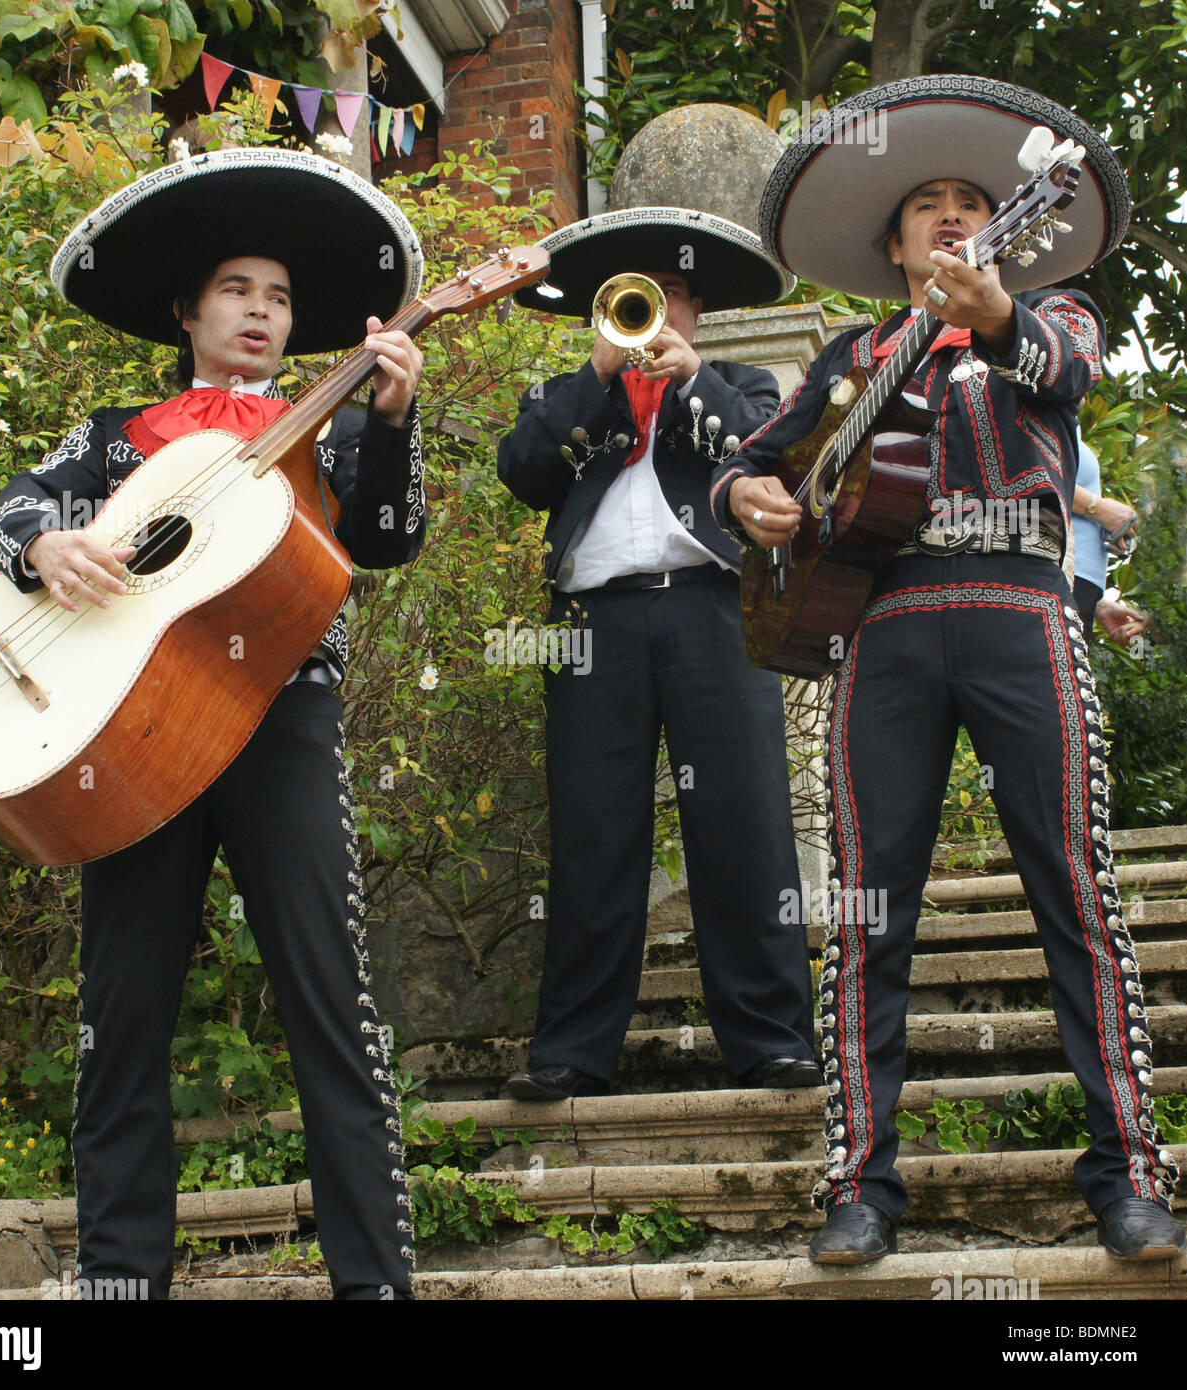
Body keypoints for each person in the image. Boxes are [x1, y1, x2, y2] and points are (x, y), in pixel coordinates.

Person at [712, 75, 1182, 1264]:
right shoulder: (846, 354)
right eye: (926, 203)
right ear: (892, 242)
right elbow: (754, 469)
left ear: (1005, 222)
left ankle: (1129, 1175)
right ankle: (858, 1187)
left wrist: (1001, 316)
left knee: (1076, 892)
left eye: (971, 201)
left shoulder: (1053, 313)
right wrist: (749, 497)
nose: (951, 217)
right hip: (882, 624)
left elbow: (1067, 378)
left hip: (1022, 608)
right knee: (869, 910)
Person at [0, 148, 428, 1299]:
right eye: (237, 289)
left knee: (330, 991)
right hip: (133, 725)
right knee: (123, 1000)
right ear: (188, 310)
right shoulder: (114, 433)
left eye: (280, 297)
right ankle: (123, 1270)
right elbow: (20, 503)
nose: (261, 313)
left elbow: (386, 535)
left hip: (282, 716)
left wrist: (391, 416)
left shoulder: (325, 430)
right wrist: (46, 547)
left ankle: (374, 1277)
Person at [498, 208, 818, 1101]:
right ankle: (570, 1050)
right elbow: (523, 472)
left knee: (742, 828)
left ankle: (770, 1041)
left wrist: (692, 384)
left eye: (671, 296)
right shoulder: (568, 395)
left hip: (714, 614)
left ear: (696, 311)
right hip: (592, 626)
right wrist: (599, 376)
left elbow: (771, 458)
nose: (656, 313)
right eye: (638, 300)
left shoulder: (743, 383)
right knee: (592, 835)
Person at [1071, 433, 1146, 647]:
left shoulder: (1066, 423)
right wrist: (1099, 508)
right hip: (1052, 584)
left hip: (1076, 590)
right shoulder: (1041, 413)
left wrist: (1098, 604)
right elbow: (1031, 478)